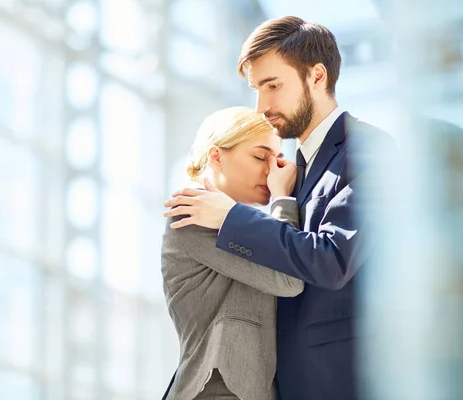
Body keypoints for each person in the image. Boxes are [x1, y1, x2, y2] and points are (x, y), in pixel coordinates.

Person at [163, 16, 395, 400]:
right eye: (256, 89)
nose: (262, 105)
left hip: (339, 378)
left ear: (317, 77)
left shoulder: (366, 149)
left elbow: (333, 258)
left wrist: (231, 217)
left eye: (273, 85)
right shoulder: (292, 174)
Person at [161, 106, 303, 400]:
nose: (272, 169)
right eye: (260, 157)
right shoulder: (191, 215)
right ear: (217, 157)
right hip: (218, 390)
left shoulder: (244, 225)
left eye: (277, 159)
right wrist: (282, 199)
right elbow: (289, 276)